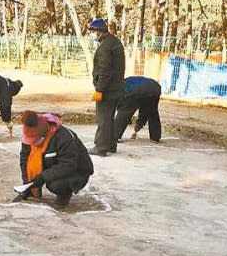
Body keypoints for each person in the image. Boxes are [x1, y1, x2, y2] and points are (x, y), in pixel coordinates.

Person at [15, 111, 94, 210]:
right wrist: (27, 183)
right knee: (38, 178)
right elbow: (24, 160)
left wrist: (43, 177)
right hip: (53, 167)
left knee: (56, 185)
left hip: (76, 171)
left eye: (35, 139)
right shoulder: (29, 133)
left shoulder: (64, 137)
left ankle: (64, 195)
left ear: (44, 134)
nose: (32, 143)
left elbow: (68, 165)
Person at [87, 18, 125, 157]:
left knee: (103, 118)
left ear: (98, 32)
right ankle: (110, 145)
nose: (91, 34)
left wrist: (99, 89)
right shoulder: (114, 42)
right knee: (109, 118)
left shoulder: (105, 47)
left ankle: (101, 147)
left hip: (108, 89)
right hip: (116, 87)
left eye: (92, 31)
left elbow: (104, 70)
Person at [115, 76, 162, 143]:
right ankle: (155, 137)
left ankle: (114, 136)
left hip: (135, 90)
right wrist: (140, 124)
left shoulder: (120, 88)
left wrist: (137, 123)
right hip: (154, 88)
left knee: (124, 112)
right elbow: (144, 111)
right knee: (152, 112)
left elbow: (123, 109)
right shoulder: (126, 82)